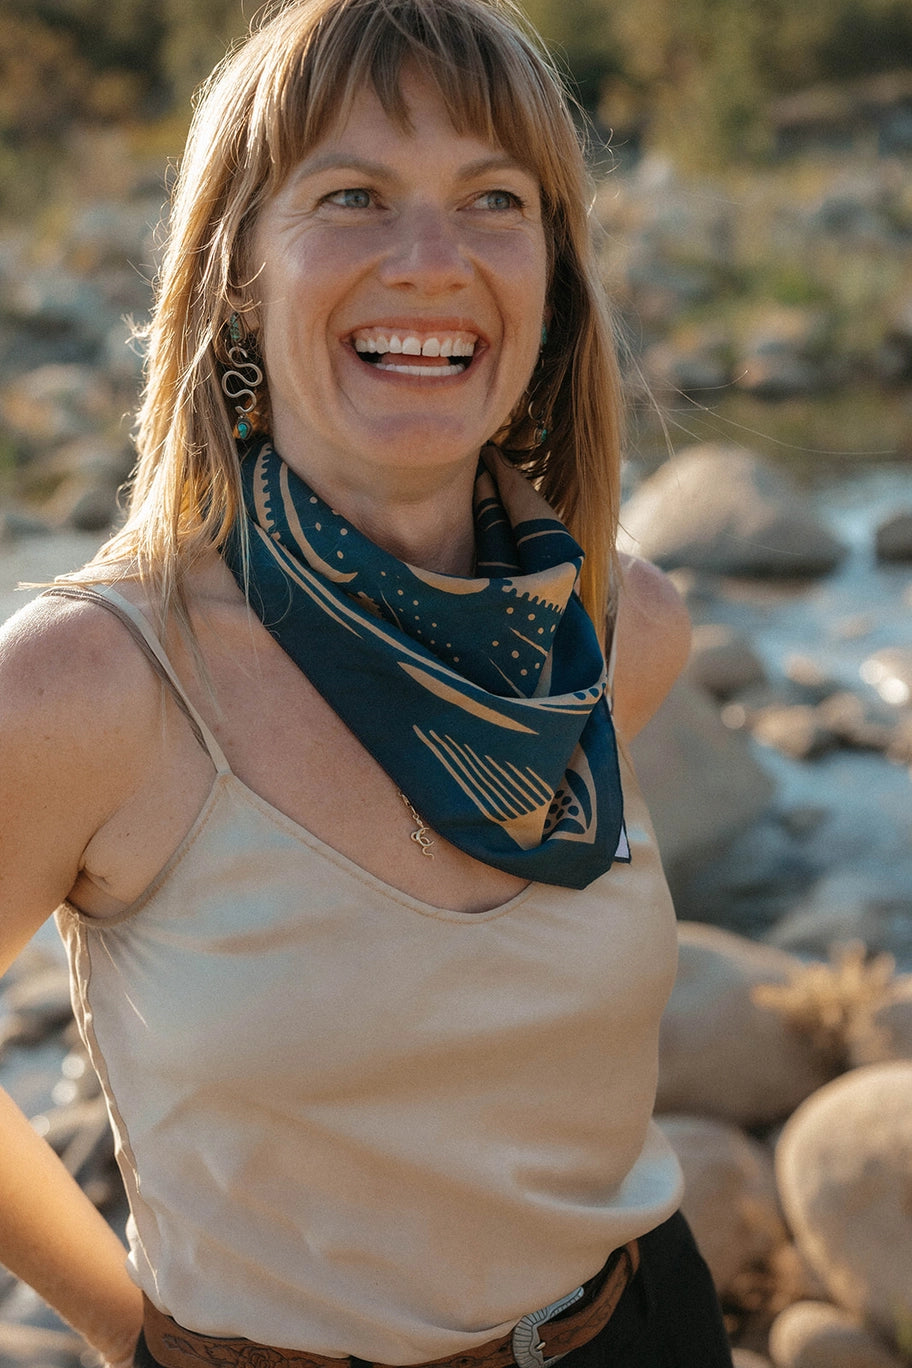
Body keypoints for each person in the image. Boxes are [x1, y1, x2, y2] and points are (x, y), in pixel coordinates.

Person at [0, 1, 735, 1365]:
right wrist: (133, 1332)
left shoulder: (620, 633)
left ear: (555, 272)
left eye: (493, 200)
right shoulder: (93, 684)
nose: (432, 261)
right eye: (353, 195)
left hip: (641, 1328)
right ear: (237, 274)